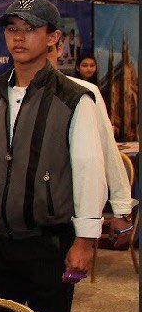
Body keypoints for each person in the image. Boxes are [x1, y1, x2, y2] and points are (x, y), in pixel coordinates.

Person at [0, 0, 107, 312]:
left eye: (30, 29)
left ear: (53, 38)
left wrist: (84, 241)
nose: (18, 37)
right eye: (12, 29)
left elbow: (89, 170)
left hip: (49, 244)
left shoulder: (74, 98)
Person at [48, 36, 136, 247]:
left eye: (47, 50)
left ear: (59, 48)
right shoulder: (2, 92)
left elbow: (107, 150)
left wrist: (122, 208)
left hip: (64, 211)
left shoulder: (81, 92)